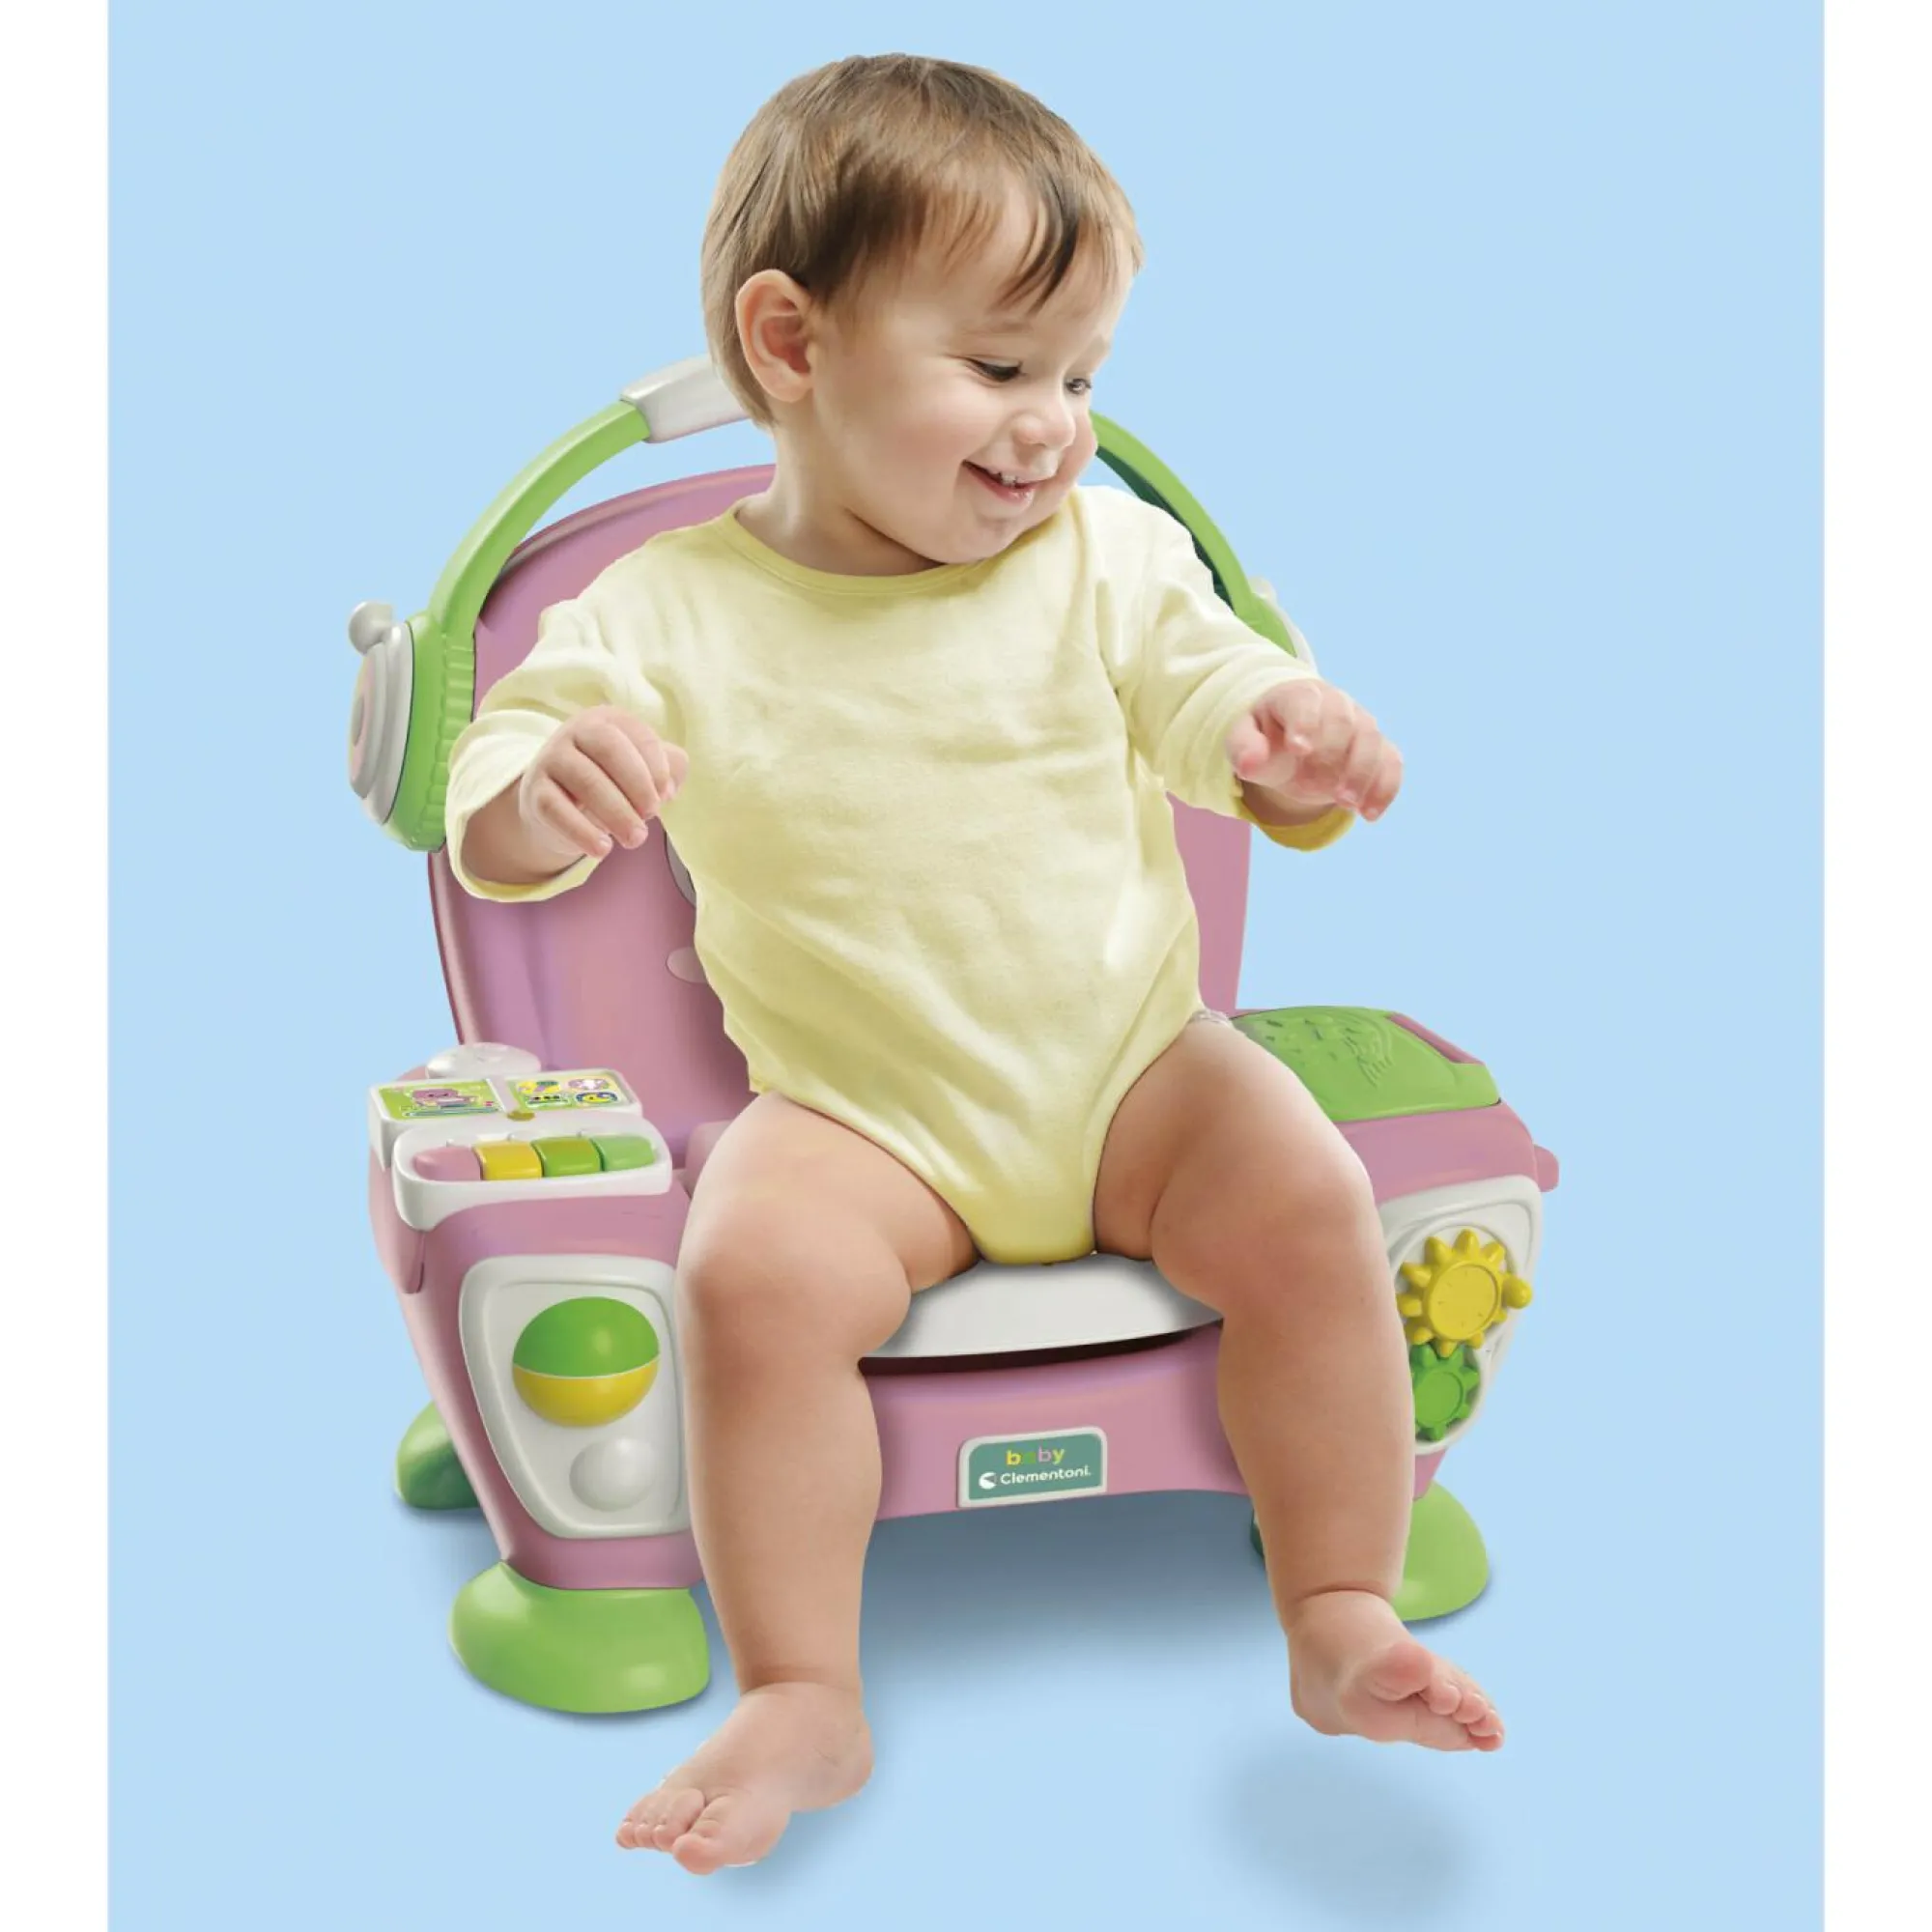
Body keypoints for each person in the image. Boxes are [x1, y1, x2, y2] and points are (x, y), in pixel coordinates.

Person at [445, 52, 1502, 1878]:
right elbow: (498, 777)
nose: (1052, 428)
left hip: (1138, 1071)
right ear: (792, 343)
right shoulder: (668, 608)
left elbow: (1217, 691)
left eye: (1083, 378)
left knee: (1310, 1203)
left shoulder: (1108, 551)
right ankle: (804, 1687)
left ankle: (1337, 1600)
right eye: (1003, 369)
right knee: (754, 1277)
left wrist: (1289, 744)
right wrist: (540, 796)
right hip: (860, 1113)